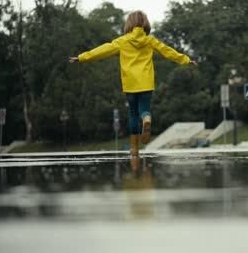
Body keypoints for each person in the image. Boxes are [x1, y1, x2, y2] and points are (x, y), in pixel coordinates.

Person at [69, 10, 197, 158]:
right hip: (146, 81)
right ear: (145, 24)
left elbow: (102, 50)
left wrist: (82, 58)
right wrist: (186, 60)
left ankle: (134, 148)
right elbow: (167, 51)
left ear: (129, 23)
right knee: (144, 109)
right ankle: (147, 119)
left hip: (130, 83)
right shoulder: (150, 41)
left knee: (133, 114)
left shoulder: (122, 41)